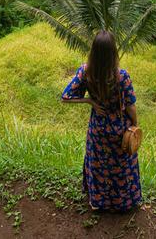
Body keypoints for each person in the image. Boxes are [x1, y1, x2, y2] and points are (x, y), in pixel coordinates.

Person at [61, 30, 142, 211]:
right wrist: (135, 124)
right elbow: (131, 106)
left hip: (98, 129)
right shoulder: (122, 76)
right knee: (122, 168)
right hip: (119, 130)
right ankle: (124, 204)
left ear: (94, 51)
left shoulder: (86, 71)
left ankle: (99, 202)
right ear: (113, 52)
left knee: (99, 166)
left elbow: (65, 97)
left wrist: (90, 100)